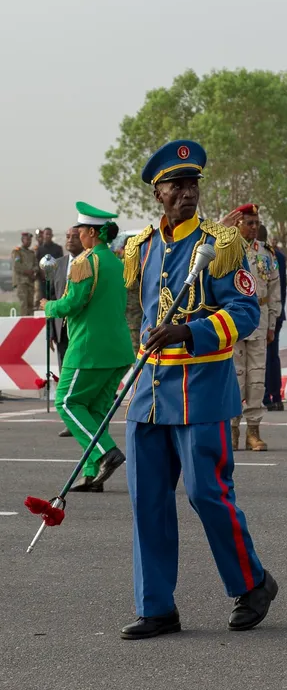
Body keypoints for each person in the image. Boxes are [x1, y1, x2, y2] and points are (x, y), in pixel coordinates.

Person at [120, 139, 275, 640]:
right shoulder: (142, 247)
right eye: (177, 185)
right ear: (158, 193)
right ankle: (156, 606)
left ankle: (252, 584)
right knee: (147, 501)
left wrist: (191, 331)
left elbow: (247, 313)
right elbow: (137, 314)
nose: (188, 192)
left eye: (193, 184)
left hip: (202, 390)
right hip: (150, 391)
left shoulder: (222, 244)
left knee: (207, 493)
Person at [39, 202, 133, 493]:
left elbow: (72, 304)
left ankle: (106, 453)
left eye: (80, 230)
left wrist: (48, 306)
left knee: (66, 403)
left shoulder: (85, 262)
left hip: (89, 349)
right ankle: (92, 474)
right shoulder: (118, 263)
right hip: (118, 350)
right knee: (94, 411)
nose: (77, 234)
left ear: (92, 232)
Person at [222, 204, 281, 452]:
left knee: (257, 378)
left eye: (257, 223)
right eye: (250, 223)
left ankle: (253, 432)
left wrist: (273, 322)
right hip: (234, 317)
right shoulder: (227, 249)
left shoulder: (267, 253)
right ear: (238, 224)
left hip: (260, 317)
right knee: (235, 377)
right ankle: (232, 431)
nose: (255, 227)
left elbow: (274, 288)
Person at [48, 226, 84, 438]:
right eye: (67, 237)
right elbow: (51, 297)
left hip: (82, 329)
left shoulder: (90, 263)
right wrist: (50, 331)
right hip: (62, 330)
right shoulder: (58, 265)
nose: (70, 240)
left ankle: (87, 418)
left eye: (74, 237)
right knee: (65, 375)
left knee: (82, 377)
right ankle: (71, 422)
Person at [262, 225, 287, 412]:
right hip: (276, 312)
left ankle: (265, 396)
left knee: (261, 358)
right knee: (273, 357)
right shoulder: (278, 256)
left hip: (265, 312)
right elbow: (282, 290)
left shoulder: (268, 257)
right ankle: (276, 396)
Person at [34, 226, 63, 306]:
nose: (48, 236)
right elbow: (36, 262)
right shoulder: (39, 249)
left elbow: (61, 263)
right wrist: (40, 272)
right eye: (46, 234)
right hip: (43, 279)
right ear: (43, 235)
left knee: (54, 299)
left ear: (52, 236)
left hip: (55, 279)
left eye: (49, 234)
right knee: (43, 299)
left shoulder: (58, 248)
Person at [12, 231, 37, 315]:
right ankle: (24, 323)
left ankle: (30, 322)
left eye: (30, 240)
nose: (29, 242)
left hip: (30, 282)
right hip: (21, 282)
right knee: (24, 304)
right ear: (22, 240)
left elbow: (36, 265)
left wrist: (34, 272)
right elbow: (17, 265)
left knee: (30, 304)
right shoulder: (17, 252)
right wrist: (28, 272)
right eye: (27, 240)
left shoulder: (32, 253)